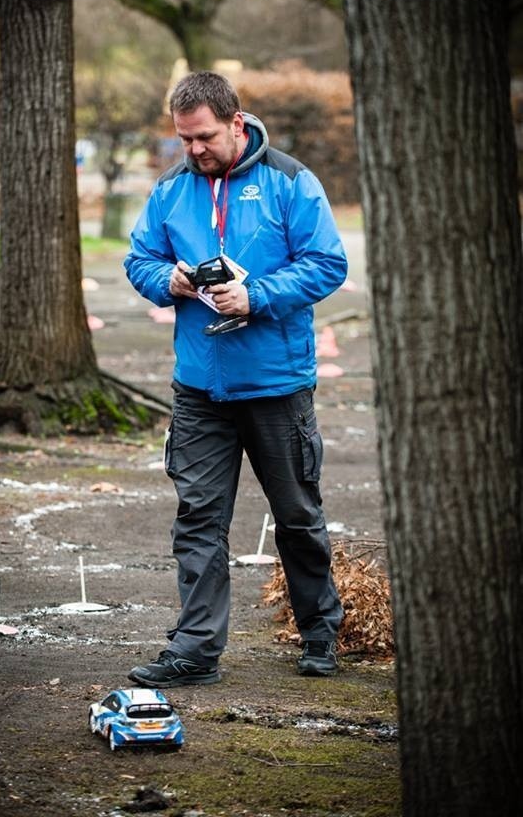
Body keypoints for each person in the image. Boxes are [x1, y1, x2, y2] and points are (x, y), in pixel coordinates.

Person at [124, 71, 347, 686]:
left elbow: (328, 263)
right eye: (183, 140)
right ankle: (195, 651)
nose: (193, 150)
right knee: (198, 517)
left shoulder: (289, 180)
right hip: (199, 388)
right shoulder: (172, 189)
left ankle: (320, 634)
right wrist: (164, 281)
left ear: (237, 122)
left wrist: (258, 296)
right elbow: (139, 258)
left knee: (297, 514)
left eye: (203, 137)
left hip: (277, 383)